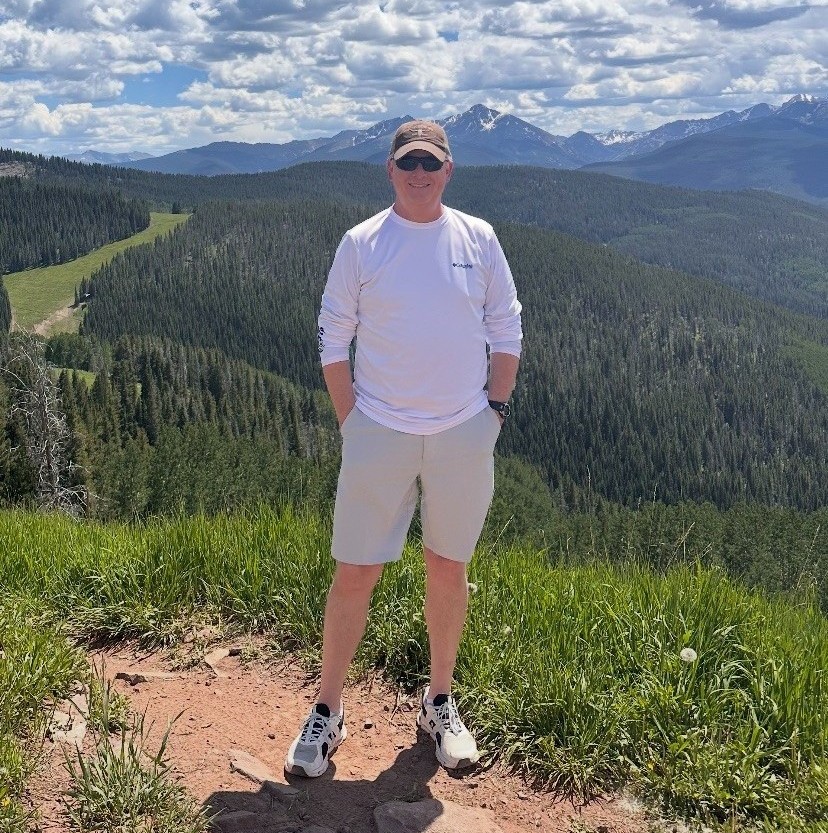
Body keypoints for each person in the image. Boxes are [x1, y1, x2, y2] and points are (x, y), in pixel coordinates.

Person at [285, 119, 523, 778]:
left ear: (449, 170)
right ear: (390, 169)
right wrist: (353, 423)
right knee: (355, 571)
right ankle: (326, 712)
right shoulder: (363, 243)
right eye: (408, 162)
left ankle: (439, 700)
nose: (419, 173)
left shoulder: (479, 238)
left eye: (431, 162)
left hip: (463, 431)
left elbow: (507, 324)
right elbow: (332, 337)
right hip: (378, 432)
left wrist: (492, 413)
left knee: (448, 567)